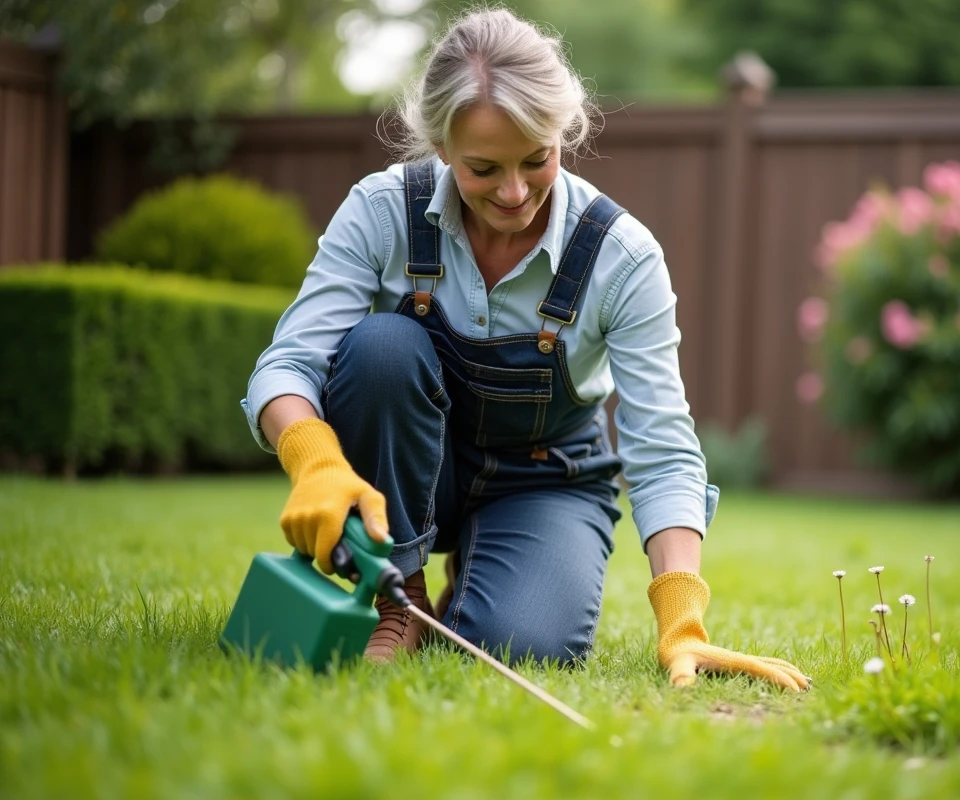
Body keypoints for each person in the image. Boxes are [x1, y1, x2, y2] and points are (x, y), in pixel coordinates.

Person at [241, 7, 809, 692]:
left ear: (562, 133)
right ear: (441, 145)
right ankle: (404, 598)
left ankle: (476, 587)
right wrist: (317, 463)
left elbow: (661, 443)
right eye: (483, 168)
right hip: (412, 471)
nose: (514, 194)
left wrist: (682, 618)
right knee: (381, 347)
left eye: (537, 159)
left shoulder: (621, 257)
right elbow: (288, 362)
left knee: (527, 646)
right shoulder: (381, 210)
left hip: (548, 478)